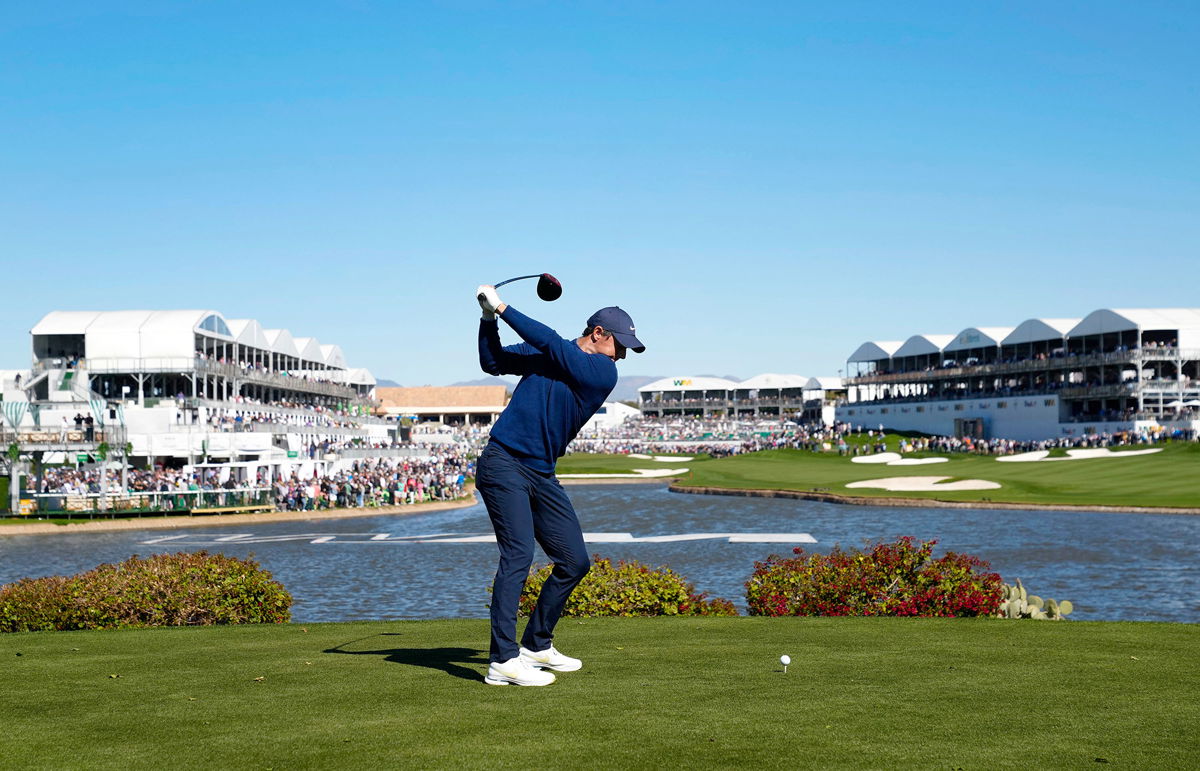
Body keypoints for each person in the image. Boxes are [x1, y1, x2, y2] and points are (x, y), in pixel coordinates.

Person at [474, 283, 644, 686]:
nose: (622, 353)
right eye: (620, 343)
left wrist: (501, 306)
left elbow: (550, 342)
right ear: (598, 332)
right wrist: (486, 319)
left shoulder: (602, 372)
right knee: (517, 556)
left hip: (542, 473)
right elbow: (492, 362)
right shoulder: (550, 354)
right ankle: (502, 659)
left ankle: (535, 644)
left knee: (574, 561)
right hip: (503, 464)